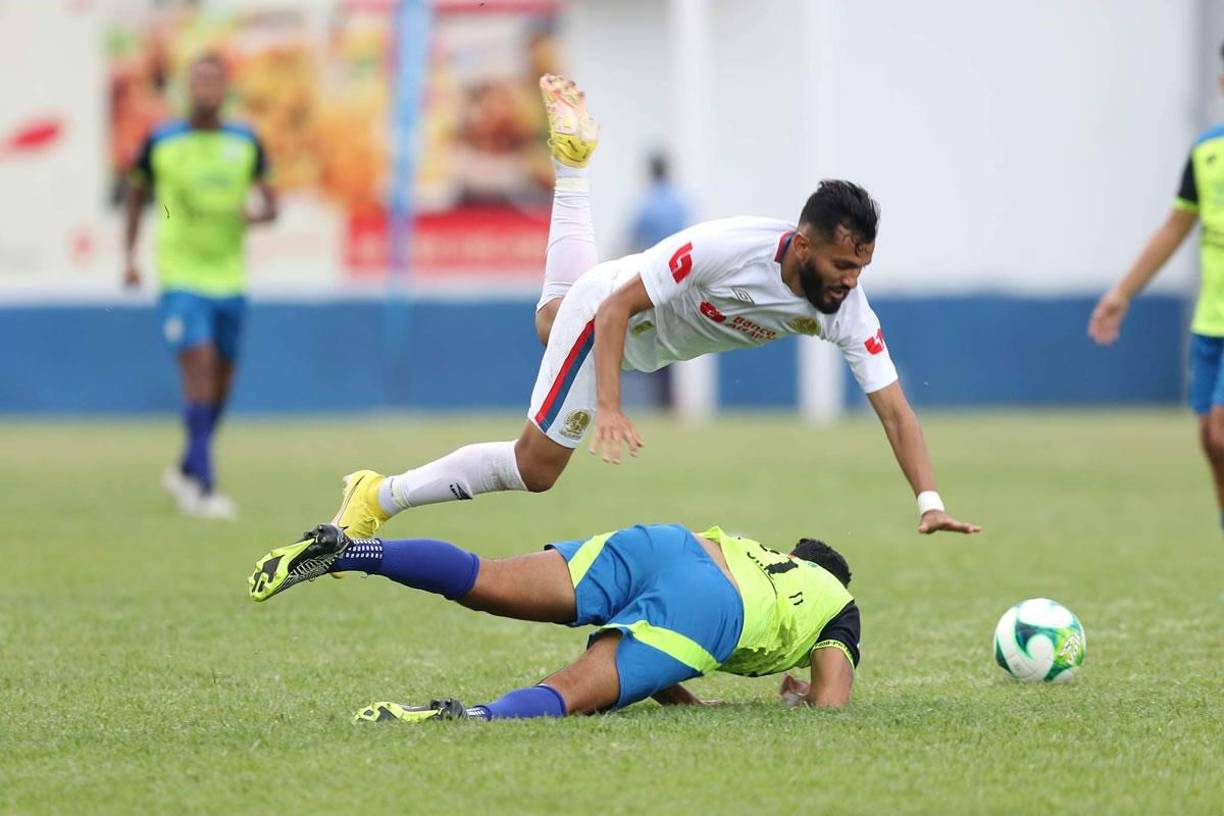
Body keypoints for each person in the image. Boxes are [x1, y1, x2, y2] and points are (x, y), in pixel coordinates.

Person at [318, 74, 977, 543]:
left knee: (551, 318)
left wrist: (930, 500)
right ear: (802, 245)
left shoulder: (846, 308)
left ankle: (571, 164)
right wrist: (608, 406)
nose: (850, 282)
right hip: (616, 313)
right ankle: (378, 495)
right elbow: (611, 310)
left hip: (625, 318)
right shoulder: (724, 247)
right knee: (537, 465)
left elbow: (895, 412)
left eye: (861, 268)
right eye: (842, 266)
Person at [249, 521, 862, 720]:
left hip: (670, 543)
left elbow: (654, 635)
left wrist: (683, 702)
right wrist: (804, 692)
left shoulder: (765, 554)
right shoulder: (837, 603)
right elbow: (831, 705)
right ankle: (474, 717)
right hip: (711, 609)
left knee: (484, 578)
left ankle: (350, 550)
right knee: (572, 693)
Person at [123, 53, 278, 519]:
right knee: (200, 366)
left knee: (223, 381)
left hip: (229, 279)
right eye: (198, 80)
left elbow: (273, 204)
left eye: (214, 80)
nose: (205, 88)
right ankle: (204, 489)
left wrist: (259, 214)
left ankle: (187, 464)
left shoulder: (246, 140)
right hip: (181, 277)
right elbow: (135, 193)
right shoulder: (161, 140)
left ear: (225, 88)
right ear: (186, 88)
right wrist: (128, 257)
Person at [1089, 43, 1224, 531]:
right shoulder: (1207, 150)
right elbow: (1175, 226)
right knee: (1211, 441)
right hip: (1211, 322)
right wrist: (1122, 293)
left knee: (1222, 436)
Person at [629, 153, 690, 253]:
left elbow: (634, 240)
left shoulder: (647, 205)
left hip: (656, 259)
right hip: (679, 255)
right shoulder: (680, 201)